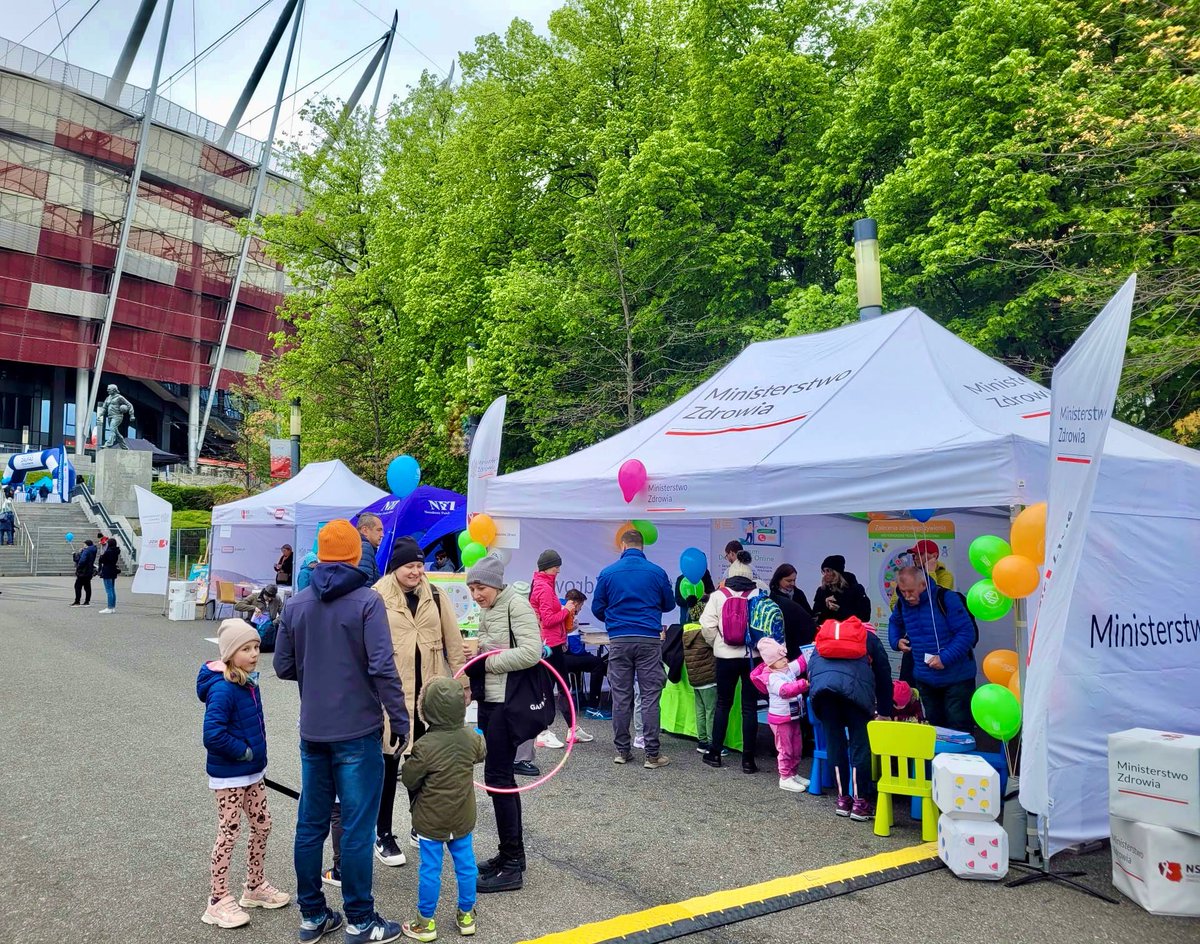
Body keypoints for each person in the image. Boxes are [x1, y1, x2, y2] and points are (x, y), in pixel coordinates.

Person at [273, 519, 410, 944]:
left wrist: (314, 675)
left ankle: (312, 916)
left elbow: (282, 666)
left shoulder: (297, 604)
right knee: (355, 826)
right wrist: (400, 719)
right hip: (357, 729)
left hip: (313, 729)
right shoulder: (368, 602)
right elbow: (383, 667)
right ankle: (360, 920)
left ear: (320, 554)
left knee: (310, 823)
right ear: (355, 555)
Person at [372, 536, 469, 866]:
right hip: (392, 698)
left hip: (429, 697)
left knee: (424, 766)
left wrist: (463, 684)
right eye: (409, 566)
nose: (416, 571)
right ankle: (383, 833)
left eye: (419, 565)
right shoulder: (377, 597)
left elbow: (454, 645)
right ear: (396, 567)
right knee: (388, 766)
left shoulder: (437, 596)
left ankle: (421, 826)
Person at [197, 620, 291, 928]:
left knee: (263, 825)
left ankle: (254, 885)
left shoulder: (248, 682)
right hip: (230, 776)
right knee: (229, 832)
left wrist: (255, 759)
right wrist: (243, 751)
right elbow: (212, 735)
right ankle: (217, 899)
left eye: (255, 648)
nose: (254, 654)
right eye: (246, 649)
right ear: (229, 654)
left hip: (252, 773)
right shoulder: (223, 689)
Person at [462, 554, 542, 893]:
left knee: (498, 779)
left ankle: (511, 865)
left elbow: (532, 652)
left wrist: (486, 660)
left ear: (494, 584)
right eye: (471, 588)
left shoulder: (516, 606)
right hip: (491, 702)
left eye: (479, 587)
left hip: (508, 705)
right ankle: (511, 855)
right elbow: (495, 648)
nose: (475, 594)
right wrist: (478, 651)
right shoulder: (490, 608)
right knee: (499, 778)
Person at [398, 676, 486, 941]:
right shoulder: (470, 737)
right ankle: (466, 915)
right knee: (466, 865)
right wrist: (476, 733)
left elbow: (410, 778)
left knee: (430, 869)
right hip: (462, 816)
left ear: (426, 710)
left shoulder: (425, 746)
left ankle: (425, 922)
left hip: (431, 820)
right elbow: (481, 753)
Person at [591, 529, 676, 769]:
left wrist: (614, 617)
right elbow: (669, 604)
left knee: (621, 697)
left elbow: (598, 607)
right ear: (642, 547)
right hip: (649, 639)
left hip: (619, 639)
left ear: (622, 546)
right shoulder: (657, 572)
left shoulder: (607, 573)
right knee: (650, 696)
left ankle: (622, 751)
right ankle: (652, 754)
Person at [808, 621, 893, 820]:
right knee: (859, 746)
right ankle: (860, 802)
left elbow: (811, 668)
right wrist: (884, 711)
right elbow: (883, 676)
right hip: (856, 695)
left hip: (824, 694)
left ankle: (842, 799)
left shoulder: (824, 637)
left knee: (834, 745)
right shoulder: (870, 638)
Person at [887, 566, 976, 732]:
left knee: (958, 725)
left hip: (957, 677)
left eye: (911, 591)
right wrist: (895, 641)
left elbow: (966, 633)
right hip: (925, 677)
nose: (907, 596)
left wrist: (945, 658)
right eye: (903, 591)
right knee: (934, 726)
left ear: (923, 584)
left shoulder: (947, 598)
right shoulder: (902, 604)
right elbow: (894, 622)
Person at [699, 551, 763, 772]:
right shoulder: (759, 593)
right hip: (752, 658)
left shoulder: (719, 595)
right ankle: (748, 760)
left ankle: (715, 753)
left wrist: (718, 642)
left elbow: (706, 625)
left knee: (723, 704)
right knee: (749, 708)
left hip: (725, 657)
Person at [529, 549, 593, 746]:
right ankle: (543, 732)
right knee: (553, 689)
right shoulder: (544, 588)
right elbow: (548, 620)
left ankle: (571, 729)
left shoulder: (542, 584)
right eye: (556, 567)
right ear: (548, 567)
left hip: (551, 643)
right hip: (549, 645)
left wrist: (566, 625)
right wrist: (565, 610)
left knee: (562, 687)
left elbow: (547, 619)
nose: (558, 570)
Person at [754, 638, 810, 792]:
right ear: (771, 663)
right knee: (785, 748)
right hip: (780, 719)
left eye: (784, 657)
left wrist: (811, 648)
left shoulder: (787, 669)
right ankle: (785, 777)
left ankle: (793, 773)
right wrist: (802, 685)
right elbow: (785, 691)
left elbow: (801, 663)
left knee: (797, 746)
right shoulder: (771, 677)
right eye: (780, 659)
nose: (785, 660)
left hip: (793, 716)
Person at [562, 588, 609, 720]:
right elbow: (576, 649)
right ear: (576, 604)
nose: (580, 610)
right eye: (581, 607)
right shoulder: (569, 614)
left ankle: (579, 697)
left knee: (584, 661)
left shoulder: (559, 607)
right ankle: (593, 708)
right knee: (597, 663)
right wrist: (586, 653)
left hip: (552, 656)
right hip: (562, 658)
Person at [682, 613, 718, 755]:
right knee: (711, 712)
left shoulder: (686, 632)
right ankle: (712, 743)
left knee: (700, 711)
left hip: (695, 679)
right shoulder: (704, 634)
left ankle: (702, 742)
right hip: (708, 678)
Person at [768, 564, 816, 657]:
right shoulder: (772, 596)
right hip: (782, 641)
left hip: (801, 641)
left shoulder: (799, 594)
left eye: (794, 580)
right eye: (789, 580)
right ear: (779, 579)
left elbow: (808, 614)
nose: (792, 583)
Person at [813, 555, 872, 624]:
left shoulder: (855, 589)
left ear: (836, 572)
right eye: (823, 571)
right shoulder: (822, 590)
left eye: (828, 571)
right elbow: (816, 616)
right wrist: (825, 606)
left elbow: (865, 616)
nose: (825, 574)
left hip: (849, 631)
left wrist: (839, 609)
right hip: (828, 632)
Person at [96, 535, 121, 614]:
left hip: (107, 570)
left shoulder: (108, 551)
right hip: (113, 570)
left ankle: (109, 607)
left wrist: (103, 552)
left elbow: (102, 559)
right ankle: (112, 607)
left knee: (108, 590)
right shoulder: (116, 551)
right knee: (112, 589)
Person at [356, 513, 383, 583]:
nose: (382, 535)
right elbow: (365, 584)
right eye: (378, 530)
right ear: (365, 530)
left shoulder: (358, 546)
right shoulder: (365, 548)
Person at [70, 539, 98, 606]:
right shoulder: (92, 550)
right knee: (87, 587)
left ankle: (77, 601)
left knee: (77, 586)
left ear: (87, 545)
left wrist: (79, 567)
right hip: (89, 571)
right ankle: (87, 601)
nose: (83, 546)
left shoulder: (86, 551)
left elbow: (82, 561)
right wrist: (80, 553)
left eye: (84, 544)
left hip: (83, 572)